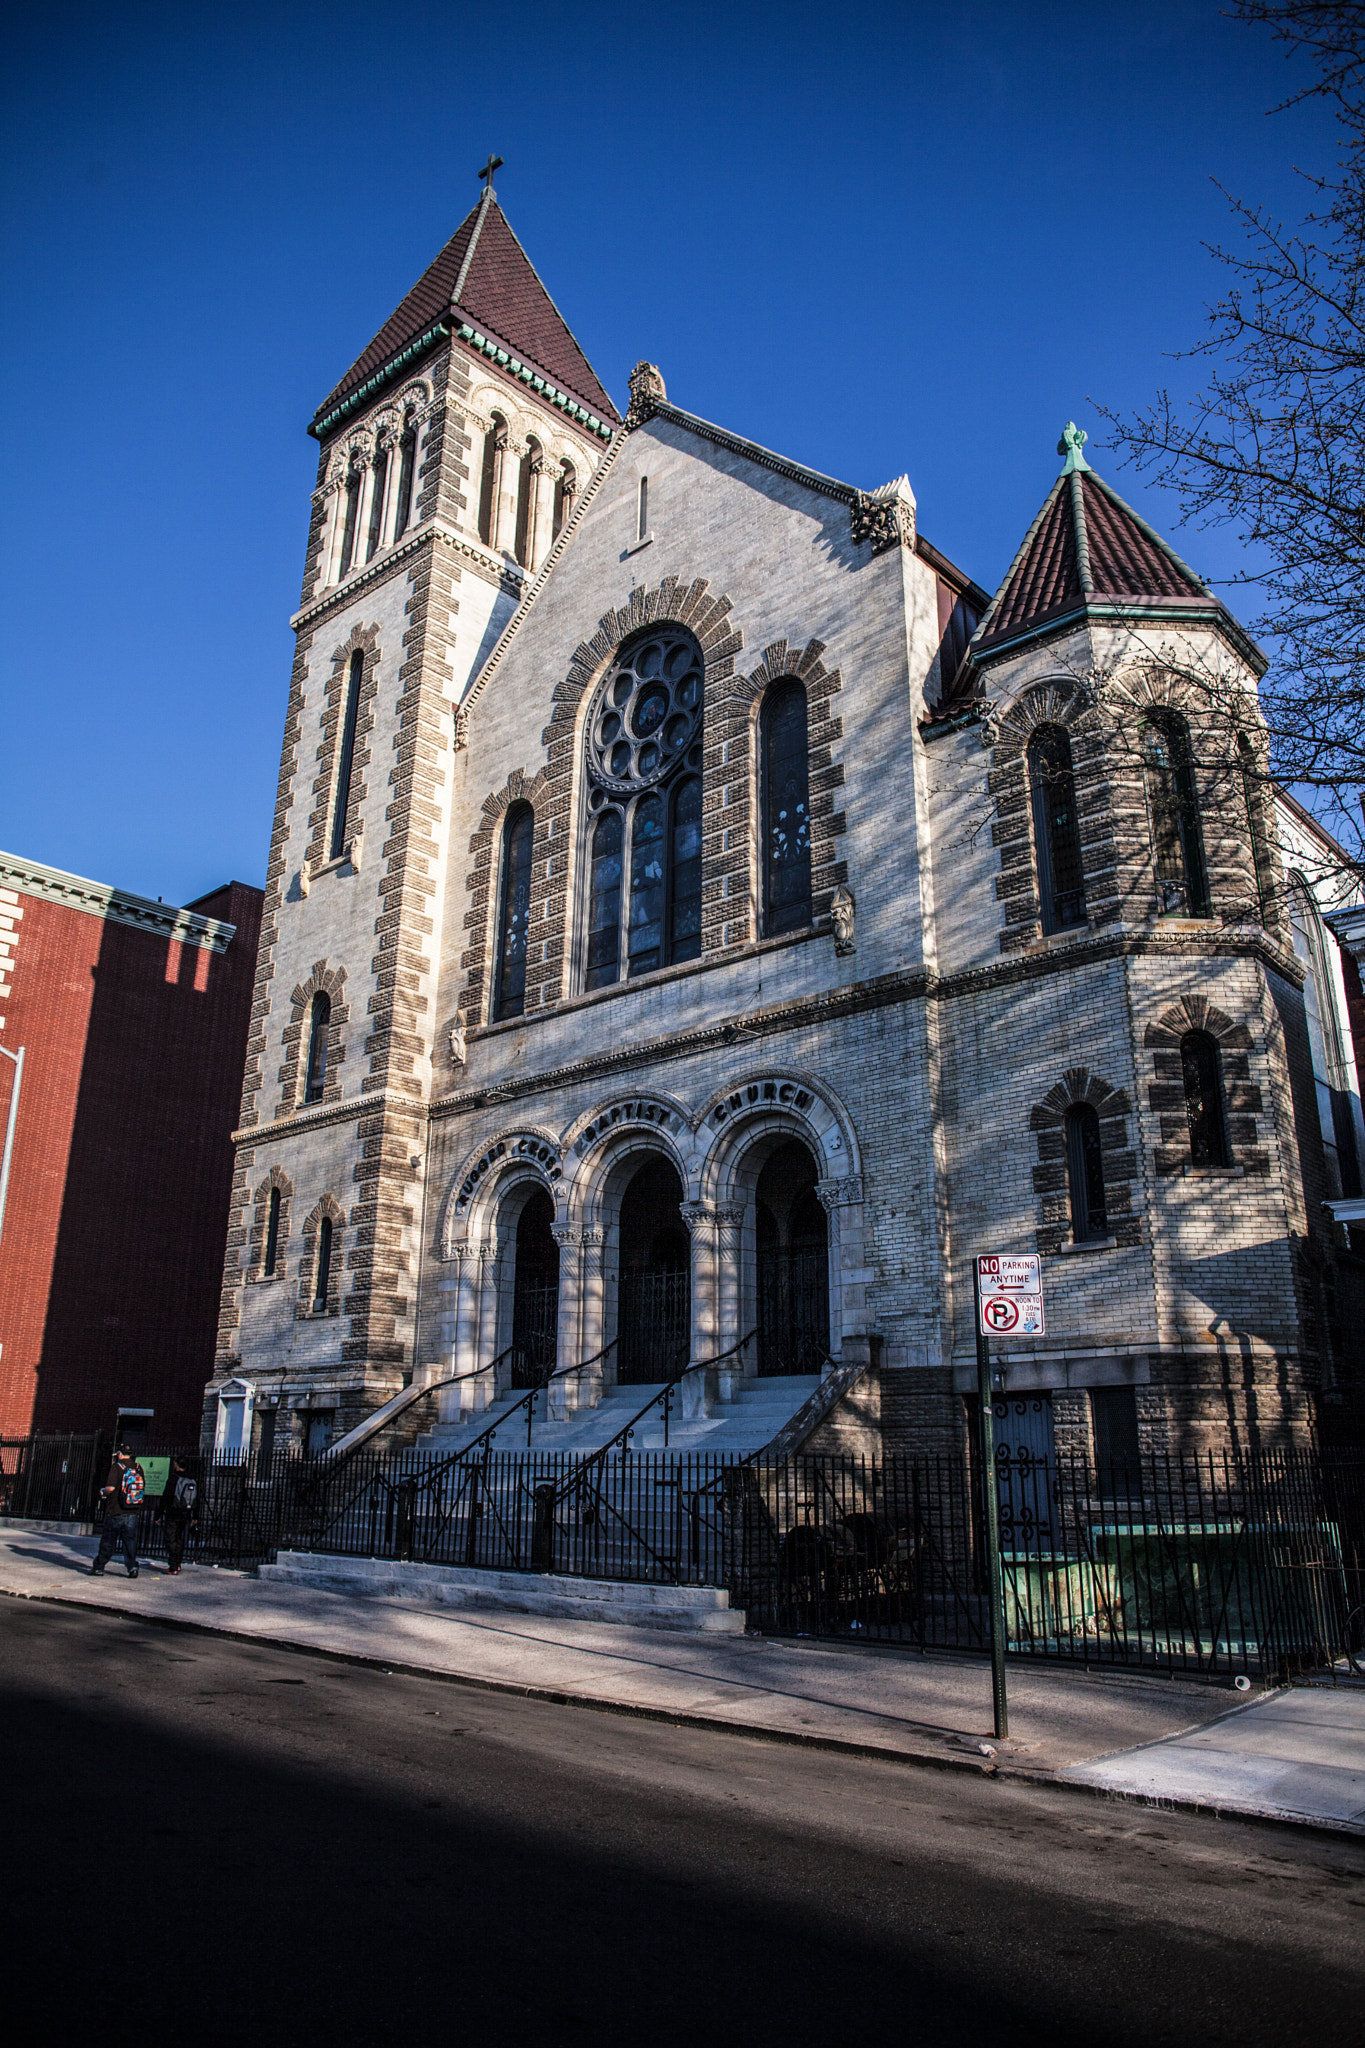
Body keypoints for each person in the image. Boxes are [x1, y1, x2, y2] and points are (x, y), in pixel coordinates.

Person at [91, 1445, 145, 1577]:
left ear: (120, 1454)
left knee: (108, 1541)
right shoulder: (138, 1468)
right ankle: (132, 1567)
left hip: (115, 1510)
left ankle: (99, 1567)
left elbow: (110, 1488)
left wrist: (102, 1491)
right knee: (130, 1542)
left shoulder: (117, 1467)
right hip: (133, 1511)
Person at [160, 1456, 200, 1575]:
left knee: (171, 1538)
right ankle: (178, 1563)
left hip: (173, 1512)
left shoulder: (173, 1478)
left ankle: (172, 1566)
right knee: (179, 1538)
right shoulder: (191, 1479)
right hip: (186, 1512)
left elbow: (165, 1498)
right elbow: (196, 1499)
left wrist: (158, 1514)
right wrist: (195, 1516)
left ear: (176, 1464)